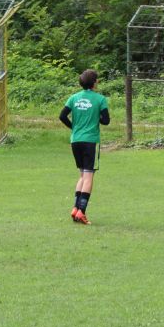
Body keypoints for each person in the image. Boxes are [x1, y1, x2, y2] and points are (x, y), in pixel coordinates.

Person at [59, 69, 110, 225]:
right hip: (91, 141)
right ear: (94, 82)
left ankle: (75, 208)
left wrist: (74, 127)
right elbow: (106, 121)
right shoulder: (100, 99)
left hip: (76, 141)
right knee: (88, 177)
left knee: (82, 175)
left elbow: (62, 116)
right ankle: (82, 211)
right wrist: (96, 116)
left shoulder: (74, 98)